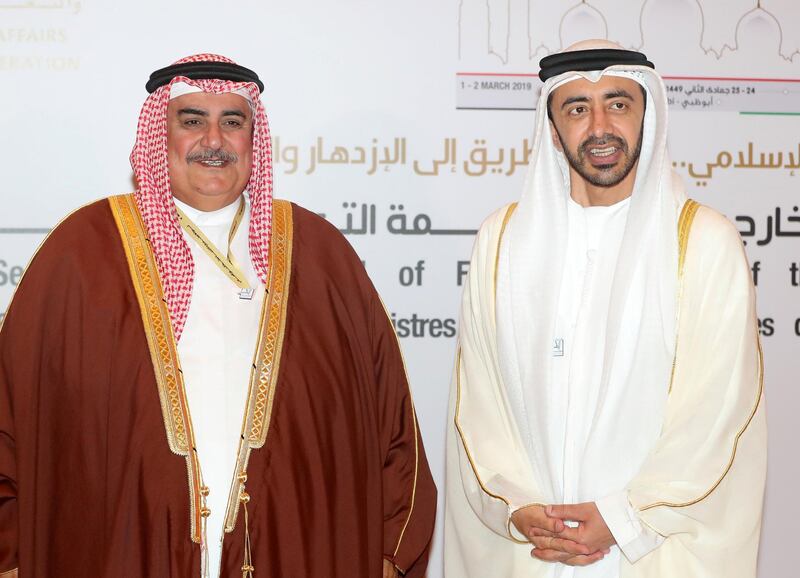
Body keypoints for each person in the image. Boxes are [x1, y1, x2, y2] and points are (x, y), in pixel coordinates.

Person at [0, 54, 436, 578]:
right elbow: (10, 420)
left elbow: (393, 428)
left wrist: (390, 554)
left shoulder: (321, 257)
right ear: (159, 135)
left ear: (254, 138)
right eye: (192, 121)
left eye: (233, 121)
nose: (214, 140)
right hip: (118, 552)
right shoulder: (82, 252)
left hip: (293, 551)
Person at [445, 39, 766, 577]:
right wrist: (518, 506)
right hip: (534, 551)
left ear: (649, 117)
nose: (600, 127)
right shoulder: (502, 242)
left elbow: (717, 413)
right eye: (577, 108)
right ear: (552, 128)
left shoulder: (705, 242)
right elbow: (478, 405)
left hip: (648, 551)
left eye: (618, 104)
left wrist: (622, 517)